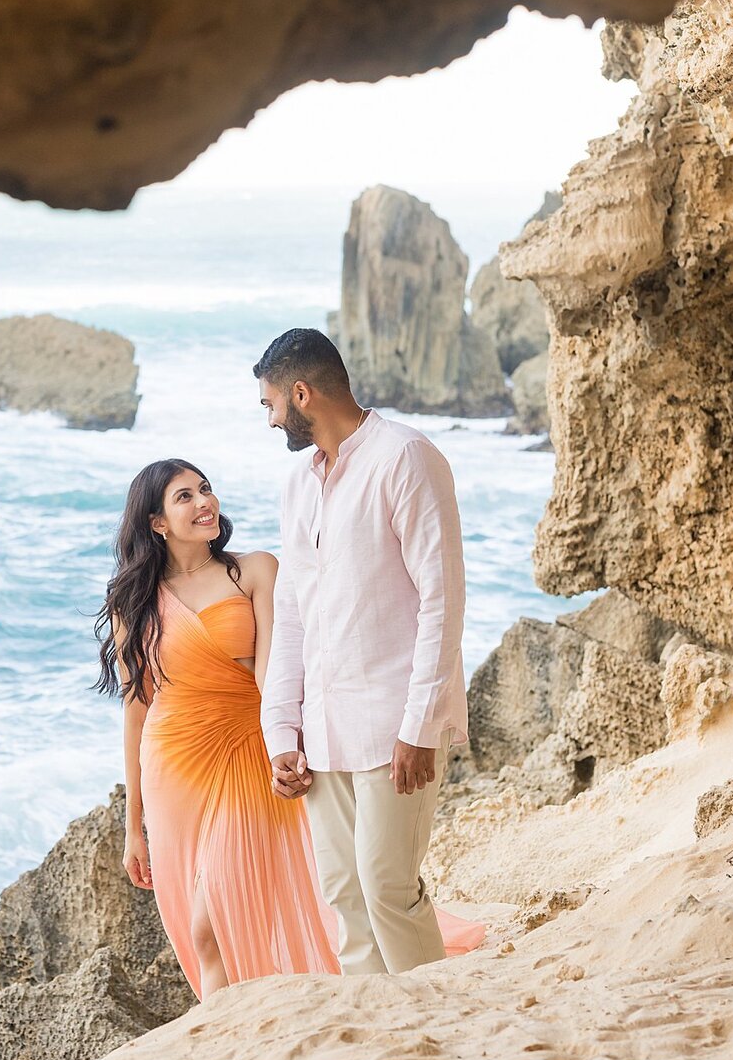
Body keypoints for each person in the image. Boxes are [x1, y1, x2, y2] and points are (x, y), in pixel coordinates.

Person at [254, 327, 487, 975]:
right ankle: (379, 1042)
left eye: (272, 404)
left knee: (390, 889)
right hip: (324, 730)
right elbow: (294, 610)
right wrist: (281, 732)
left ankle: (435, 1028)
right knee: (346, 897)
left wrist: (419, 726)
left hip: (394, 725)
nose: (272, 420)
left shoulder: (406, 457)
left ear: (303, 393)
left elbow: (443, 599)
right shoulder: (296, 485)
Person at [94, 457, 339, 998]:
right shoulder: (132, 599)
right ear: (157, 522)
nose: (204, 502)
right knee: (197, 924)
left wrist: (287, 743)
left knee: (214, 922)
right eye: (184, 496)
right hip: (173, 763)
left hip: (246, 748)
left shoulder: (253, 571)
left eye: (205, 490)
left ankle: (223, 1033)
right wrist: (133, 828)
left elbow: (279, 671)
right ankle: (228, 1042)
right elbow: (137, 708)